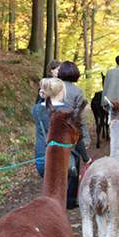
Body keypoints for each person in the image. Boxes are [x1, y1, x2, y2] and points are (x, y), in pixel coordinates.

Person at [31, 78, 90, 208]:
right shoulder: (67, 111)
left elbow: (42, 106)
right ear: (62, 91)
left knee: (49, 192)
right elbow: (77, 138)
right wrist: (86, 158)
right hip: (62, 160)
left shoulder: (35, 109)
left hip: (42, 157)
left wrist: (42, 96)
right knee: (59, 196)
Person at [57, 61, 91, 148]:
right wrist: (86, 138)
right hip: (69, 133)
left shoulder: (52, 87)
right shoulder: (77, 91)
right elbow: (80, 116)